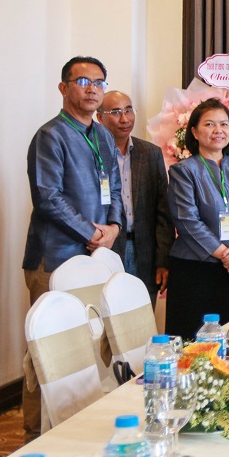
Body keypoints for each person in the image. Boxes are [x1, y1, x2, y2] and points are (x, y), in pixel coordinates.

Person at [22, 55, 124, 441]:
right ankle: (36, 437)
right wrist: (90, 231)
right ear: (64, 88)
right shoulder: (50, 135)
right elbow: (47, 196)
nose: (93, 88)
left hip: (94, 256)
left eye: (99, 81)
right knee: (48, 350)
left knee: (94, 343)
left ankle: (85, 431)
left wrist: (113, 226)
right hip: (55, 256)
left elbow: (114, 186)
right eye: (83, 81)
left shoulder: (101, 134)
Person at [165, 98, 229, 340]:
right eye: (209, 124)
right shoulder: (183, 171)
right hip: (197, 272)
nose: (218, 130)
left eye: (224, 124)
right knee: (195, 346)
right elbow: (187, 222)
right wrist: (227, 257)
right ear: (194, 131)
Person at [97, 91, 174, 304]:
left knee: (142, 323)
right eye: (116, 112)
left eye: (129, 110)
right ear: (99, 117)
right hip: (107, 251)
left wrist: (163, 260)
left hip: (144, 253)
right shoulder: (92, 154)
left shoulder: (150, 153)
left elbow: (163, 211)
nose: (124, 118)